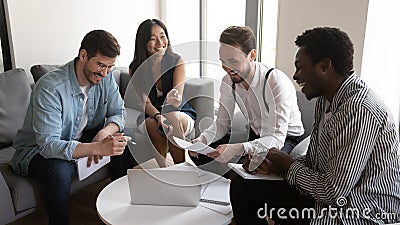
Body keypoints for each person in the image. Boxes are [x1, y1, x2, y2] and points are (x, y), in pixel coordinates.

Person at [230, 27, 400, 225]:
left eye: (300, 67)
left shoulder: (359, 109)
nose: (295, 76)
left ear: (325, 66)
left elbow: (333, 192)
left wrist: (284, 160)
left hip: (360, 210)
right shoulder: (326, 99)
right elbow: (314, 164)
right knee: (242, 185)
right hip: (329, 200)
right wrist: (276, 166)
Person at [9, 30, 137, 225]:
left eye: (109, 67)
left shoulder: (106, 77)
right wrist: (96, 148)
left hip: (77, 138)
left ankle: (120, 209)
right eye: (100, 65)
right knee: (61, 169)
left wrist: (103, 134)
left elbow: (118, 112)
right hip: (35, 150)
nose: (104, 73)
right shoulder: (50, 88)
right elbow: (49, 146)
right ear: (83, 55)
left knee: (122, 142)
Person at [189, 26, 304, 176]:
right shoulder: (228, 81)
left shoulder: (274, 81)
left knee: (256, 167)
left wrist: (239, 148)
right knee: (203, 154)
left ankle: (235, 179)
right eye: (223, 61)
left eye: (233, 61)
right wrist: (202, 140)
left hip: (286, 138)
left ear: (252, 55)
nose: (227, 68)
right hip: (255, 134)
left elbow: (276, 138)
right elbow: (222, 124)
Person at [129, 19, 196, 167]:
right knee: (152, 125)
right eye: (153, 39)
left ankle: (182, 168)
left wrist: (174, 97)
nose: (160, 43)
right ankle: (164, 169)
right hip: (152, 115)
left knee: (172, 118)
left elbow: (177, 100)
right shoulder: (135, 68)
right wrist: (158, 116)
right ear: (143, 43)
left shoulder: (176, 60)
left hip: (179, 113)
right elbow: (144, 102)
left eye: (163, 36)